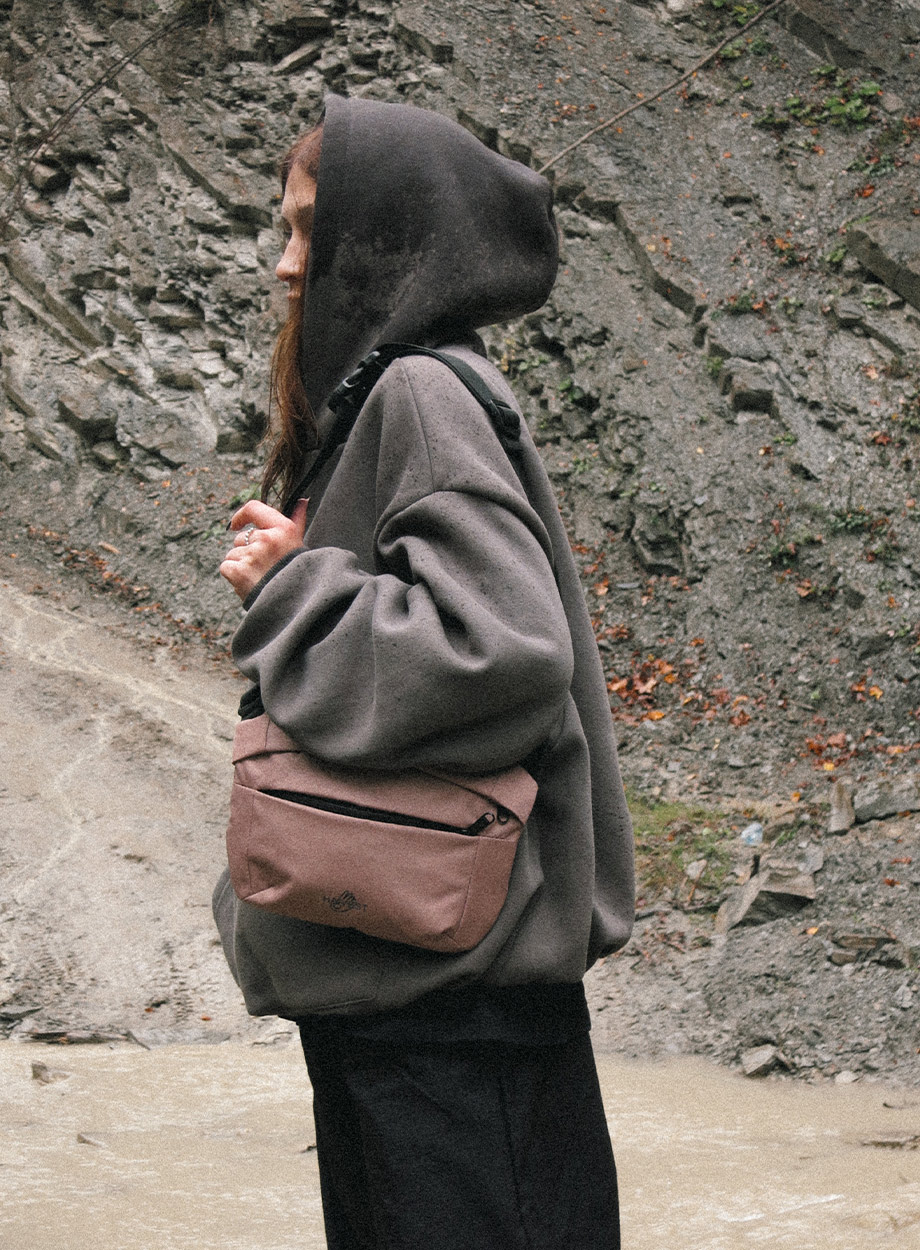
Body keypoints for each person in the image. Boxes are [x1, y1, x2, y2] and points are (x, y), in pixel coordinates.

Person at [213, 94, 636, 1250]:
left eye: (311, 229)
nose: (287, 265)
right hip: (411, 983)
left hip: (451, 1008)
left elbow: (502, 649)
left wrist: (292, 588)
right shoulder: (398, 393)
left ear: (383, 237)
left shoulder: (420, 390)